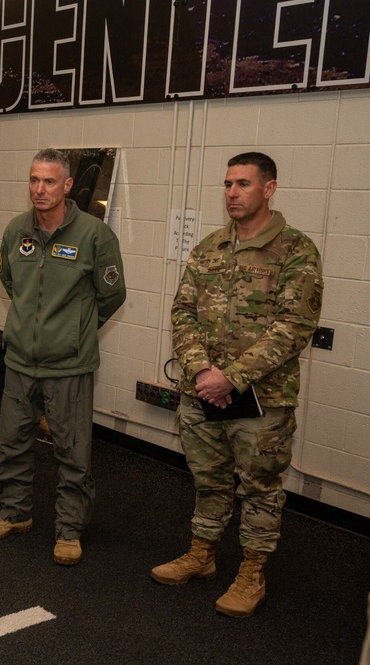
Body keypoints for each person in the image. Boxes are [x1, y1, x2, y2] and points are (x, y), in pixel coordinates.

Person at [150, 151, 323, 618]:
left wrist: (232, 377)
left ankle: (252, 573)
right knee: (207, 479)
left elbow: (294, 327)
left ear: (268, 188)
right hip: (202, 391)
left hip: (262, 400)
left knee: (260, 487)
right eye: (228, 184)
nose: (232, 193)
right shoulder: (209, 248)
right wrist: (203, 372)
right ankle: (202, 555)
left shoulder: (296, 249)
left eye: (243, 184)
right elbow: (182, 312)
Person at [0, 148, 126, 566]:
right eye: (33, 180)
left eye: (48, 182)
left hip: (69, 366)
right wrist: (31, 327)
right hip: (21, 361)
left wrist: (74, 330)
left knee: (72, 451)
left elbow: (112, 294)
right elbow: (10, 279)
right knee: (12, 443)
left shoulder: (95, 235)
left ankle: (69, 530)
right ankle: (14, 513)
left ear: (66, 186)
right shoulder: (15, 231)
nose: (38, 189)